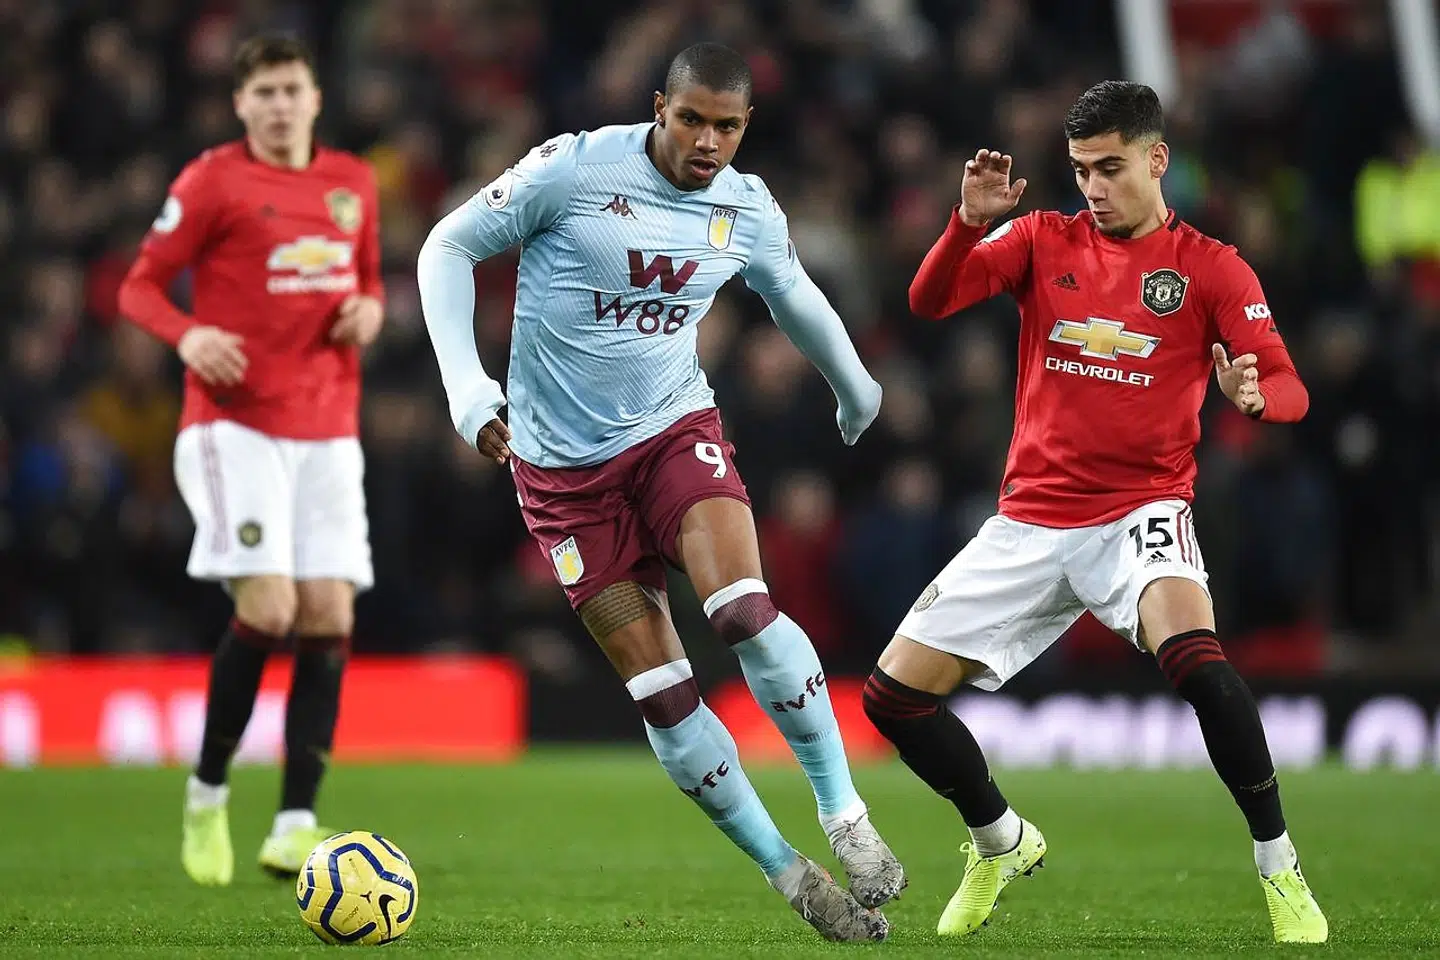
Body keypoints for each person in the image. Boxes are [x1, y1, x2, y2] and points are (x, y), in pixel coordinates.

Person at [418, 42, 900, 942]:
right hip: (561, 481)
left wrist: (854, 384)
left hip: (672, 434)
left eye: (727, 125)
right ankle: (788, 872)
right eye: (692, 120)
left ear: (745, 126)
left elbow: (791, 293)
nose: (708, 141)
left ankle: (845, 817)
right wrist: (466, 390)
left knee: (742, 611)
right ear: (659, 109)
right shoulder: (572, 169)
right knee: (666, 695)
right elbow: (446, 245)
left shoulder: (746, 208)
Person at [861, 80, 1328, 944]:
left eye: (1109, 168)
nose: (1093, 188)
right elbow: (930, 302)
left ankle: (1280, 867)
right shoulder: (1042, 239)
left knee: (1200, 665)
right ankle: (998, 838)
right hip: (1031, 520)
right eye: (1079, 170)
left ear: (1157, 161)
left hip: (1140, 512)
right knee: (890, 700)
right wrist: (966, 222)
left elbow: (1290, 382)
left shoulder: (1211, 267)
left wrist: (1257, 398)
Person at [118, 33, 384, 886]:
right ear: (241, 104)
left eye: (290, 89)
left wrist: (371, 314)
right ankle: (206, 795)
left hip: (330, 427)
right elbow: (138, 285)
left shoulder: (353, 184)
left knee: (328, 618)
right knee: (267, 608)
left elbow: (369, 281)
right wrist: (189, 332)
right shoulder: (211, 181)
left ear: (315, 98)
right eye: (262, 91)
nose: (277, 105)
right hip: (235, 427)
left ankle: (296, 822)